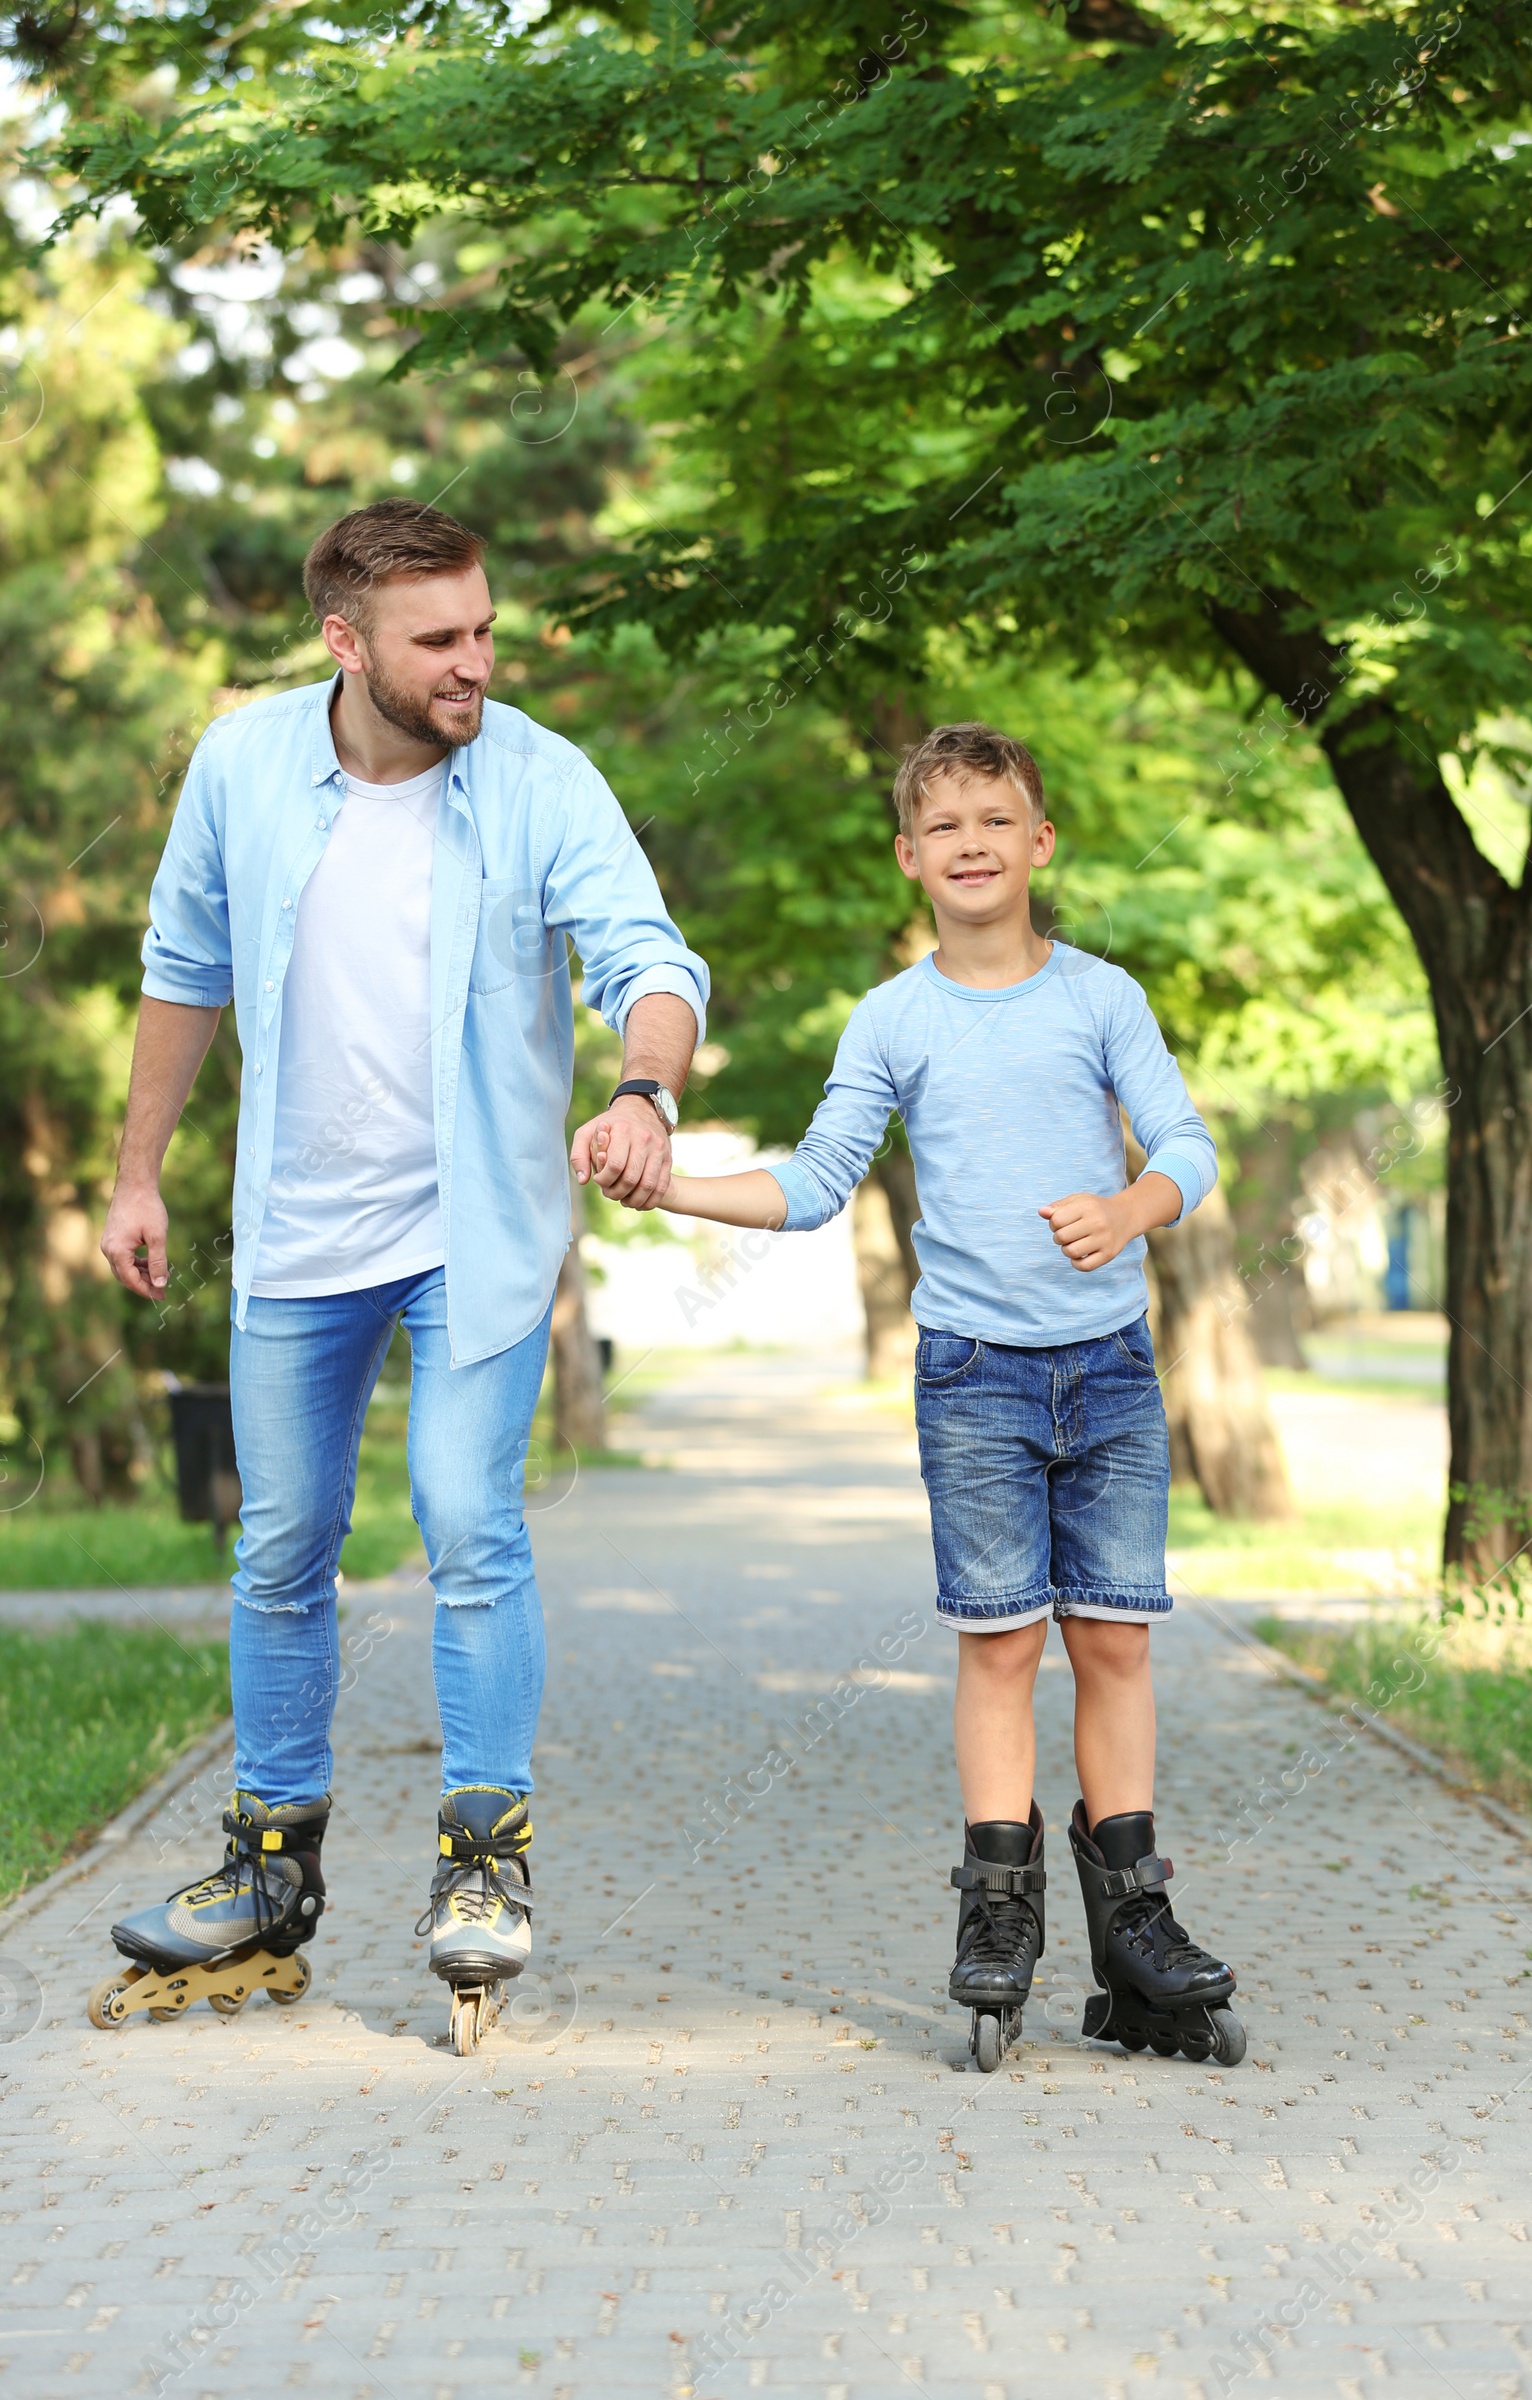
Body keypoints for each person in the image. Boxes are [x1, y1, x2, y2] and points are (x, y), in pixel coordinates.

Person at [96, 498, 706, 2038]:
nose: (475, 664)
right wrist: (137, 1171)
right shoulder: (241, 766)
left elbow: (649, 957)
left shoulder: (540, 777)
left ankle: (484, 1859)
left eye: (485, 630)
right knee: (281, 1545)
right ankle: (269, 1865)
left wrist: (644, 1087)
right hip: (299, 1232)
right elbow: (184, 969)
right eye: (440, 639)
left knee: (463, 1521)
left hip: (473, 1229)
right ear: (344, 640)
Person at [587, 721, 1246, 2069]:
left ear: (1039, 842)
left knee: (1115, 1641)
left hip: (1110, 1372)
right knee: (1000, 1642)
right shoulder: (893, 1021)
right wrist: (671, 1182)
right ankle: (998, 1911)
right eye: (944, 829)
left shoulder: (1099, 997)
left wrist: (1133, 1205)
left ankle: (1138, 1926)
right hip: (973, 1379)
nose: (973, 845)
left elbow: (1188, 1140)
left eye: (996, 822)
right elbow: (816, 1182)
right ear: (909, 859)